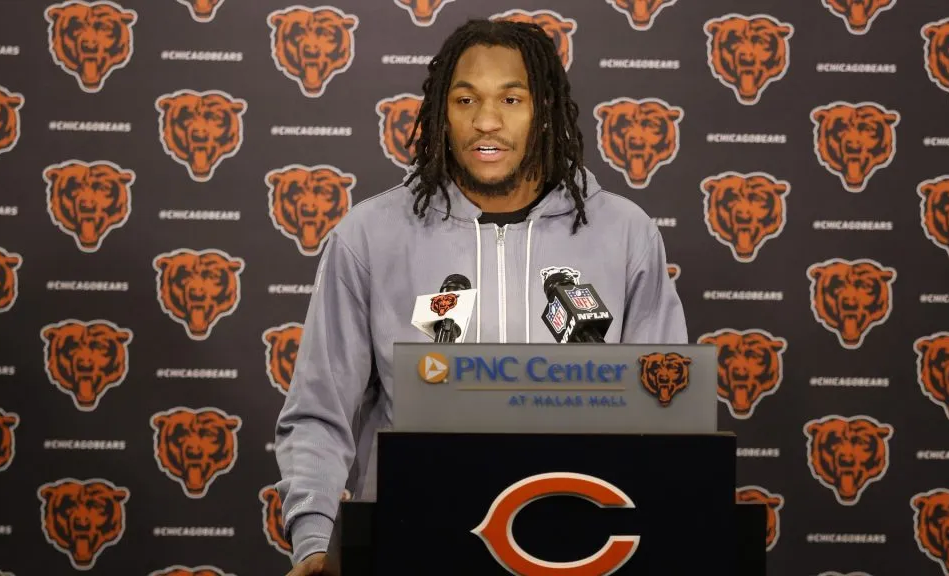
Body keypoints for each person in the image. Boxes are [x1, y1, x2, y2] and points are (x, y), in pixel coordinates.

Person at [276, 17, 687, 575]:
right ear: (441, 112)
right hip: (413, 544)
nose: (486, 121)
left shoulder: (625, 233)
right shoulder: (370, 235)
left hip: (580, 544)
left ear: (544, 109)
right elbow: (318, 411)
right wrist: (313, 538)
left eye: (511, 99)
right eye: (465, 99)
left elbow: (667, 415)